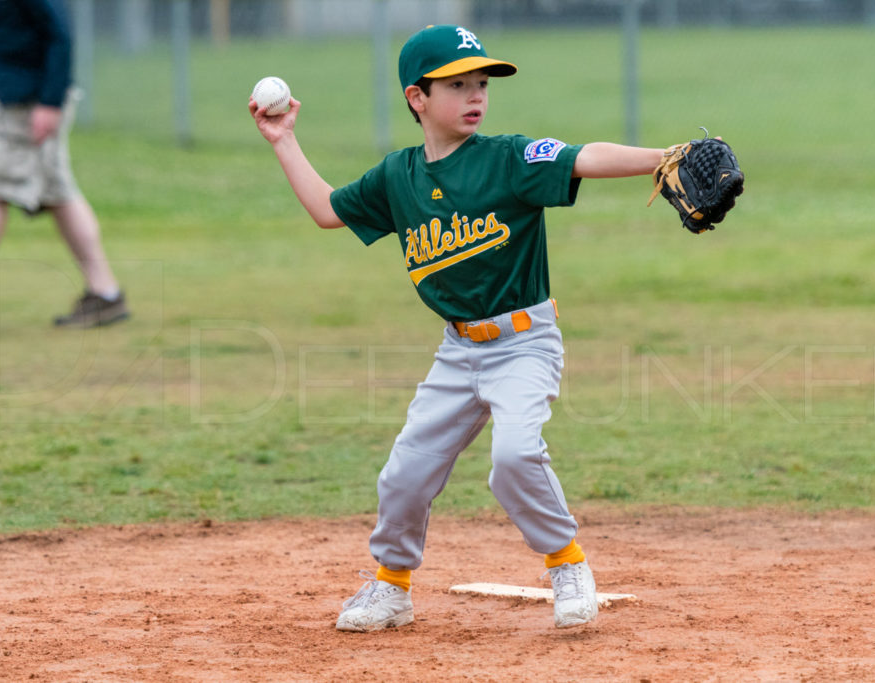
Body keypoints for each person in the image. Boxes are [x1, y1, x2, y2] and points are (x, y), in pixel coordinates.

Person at [250, 24, 668, 632]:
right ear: (417, 98)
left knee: (516, 456)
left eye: (481, 84)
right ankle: (391, 586)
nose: (475, 95)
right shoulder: (399, 177)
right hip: (457, 350)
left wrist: (664, 158)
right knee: (404, 472)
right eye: (457, 85)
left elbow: (584, 156)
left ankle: (567, 564)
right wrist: (282, 139)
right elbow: (326, 210)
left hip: (524, 341)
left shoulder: (508, 159)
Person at [0, 0, 128, 330]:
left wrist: (50, 102)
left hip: (31, 100)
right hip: (9, 95)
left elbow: (59, 33)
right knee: (58, 193)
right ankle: (105, 293)